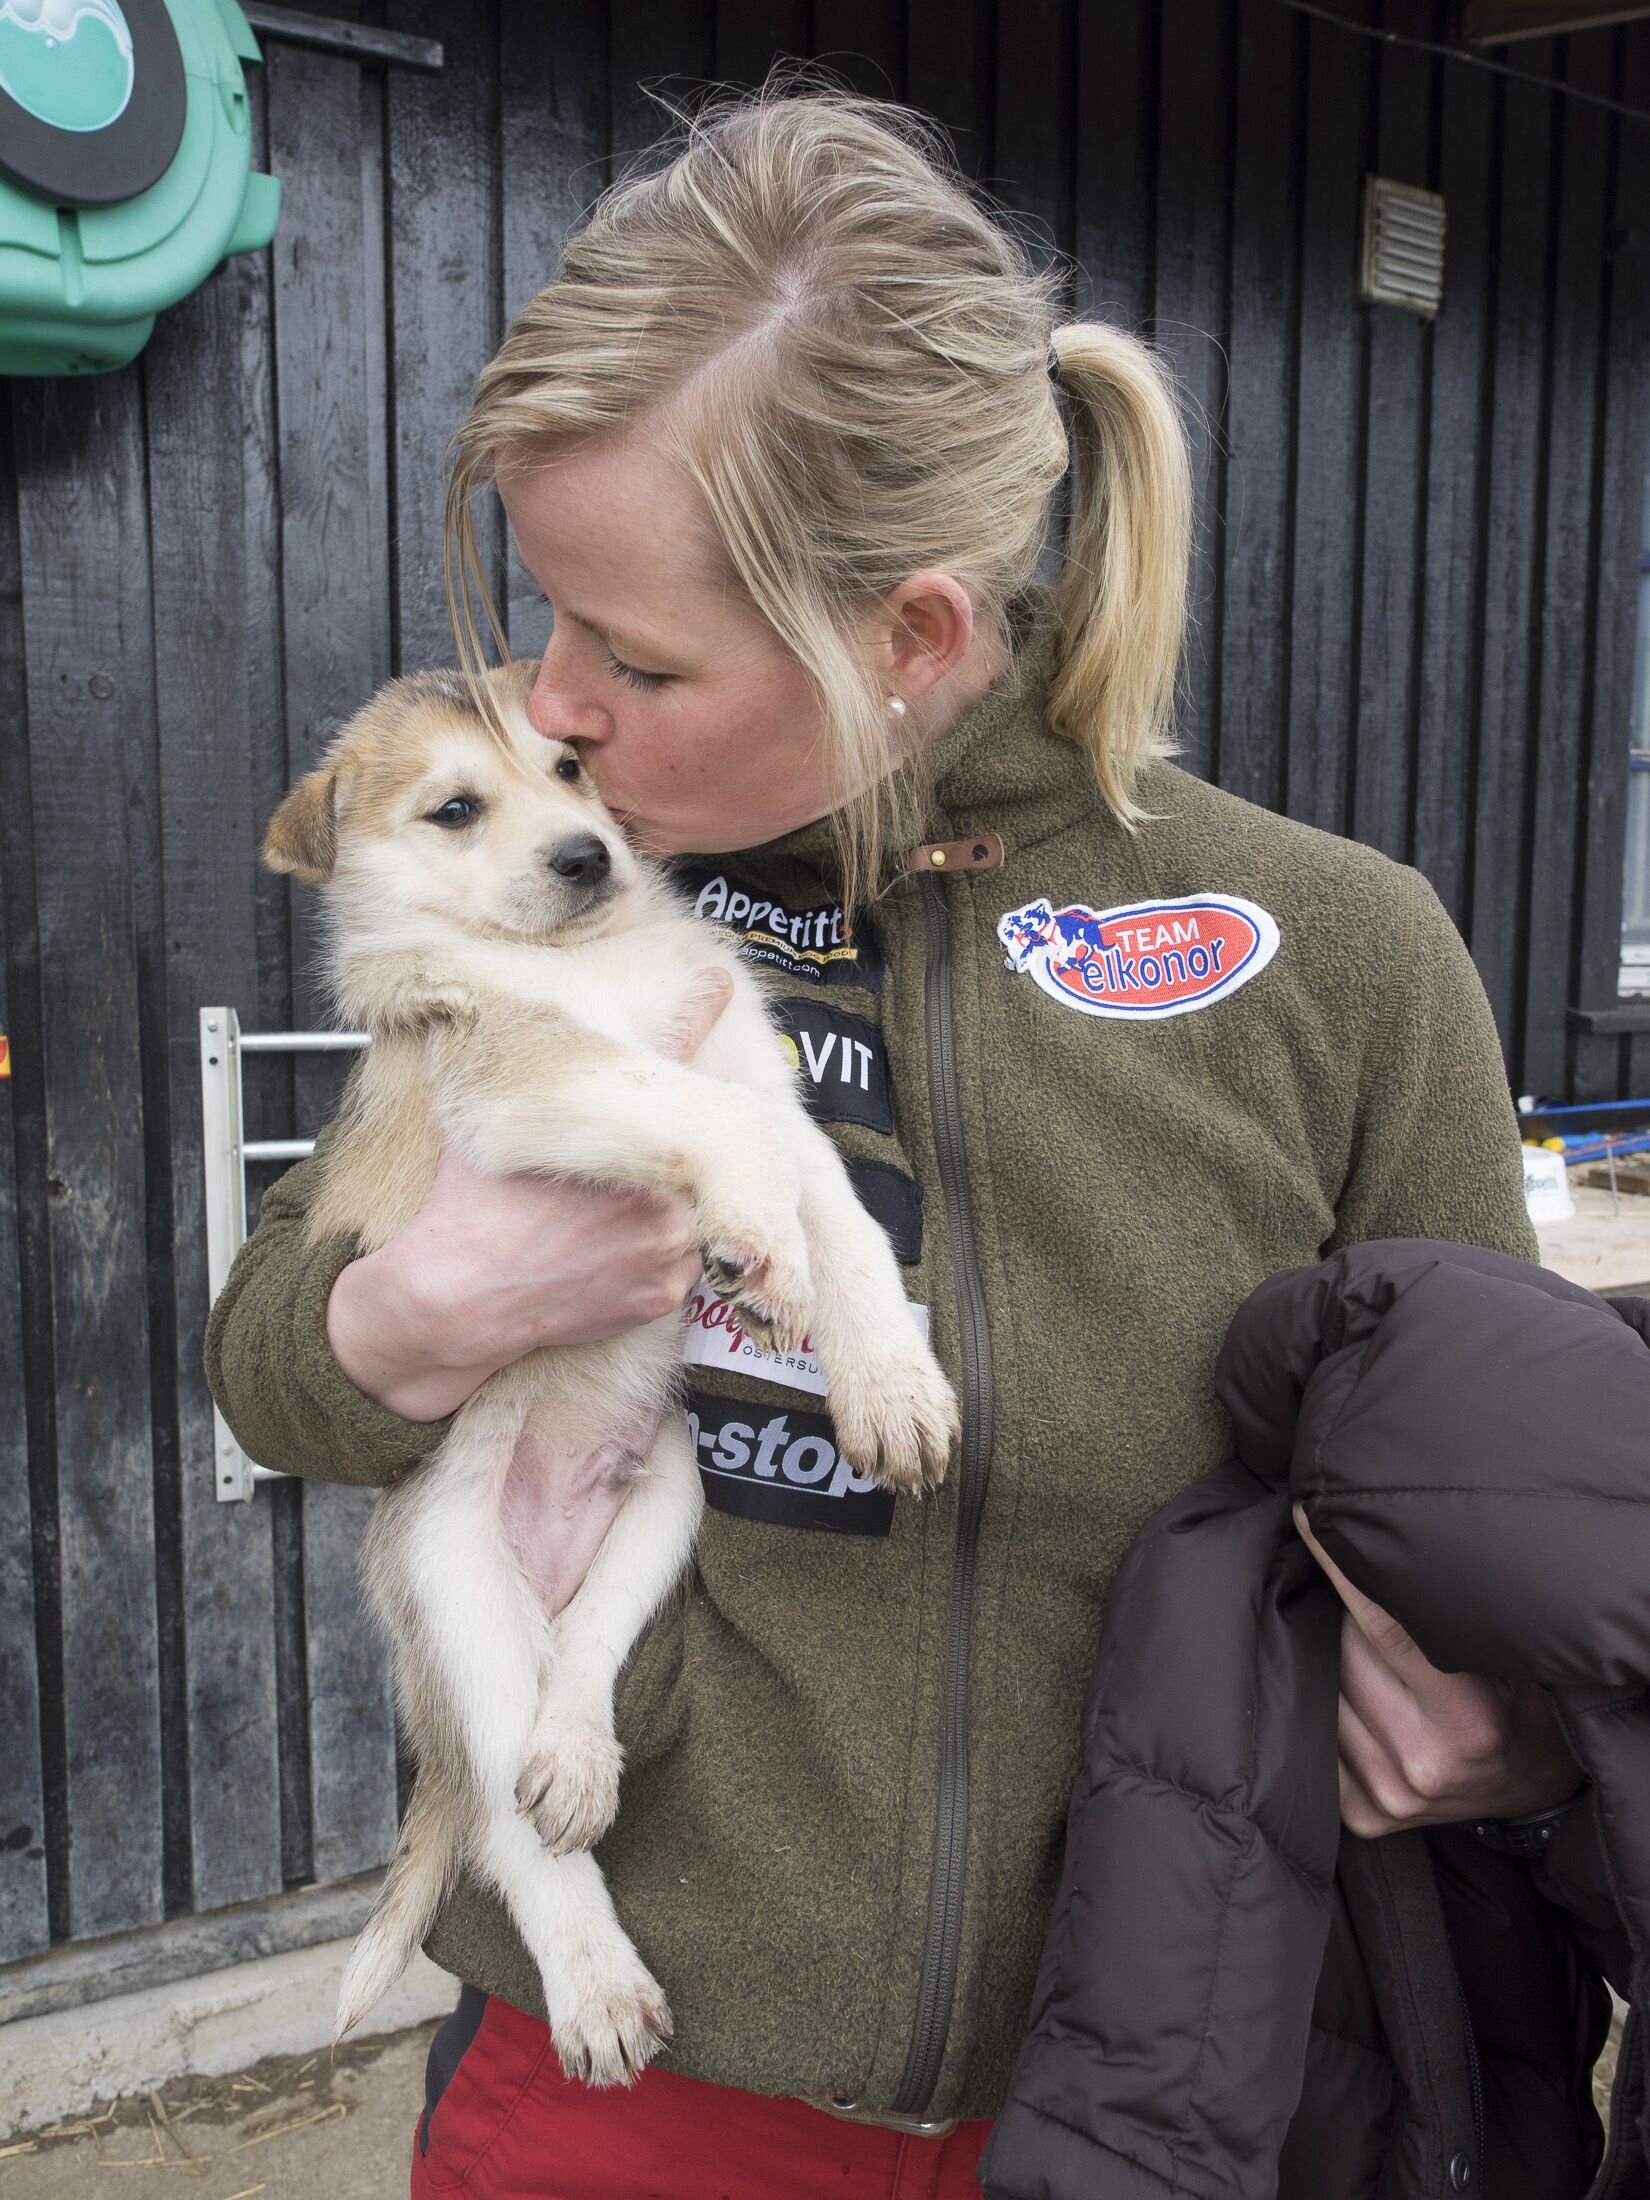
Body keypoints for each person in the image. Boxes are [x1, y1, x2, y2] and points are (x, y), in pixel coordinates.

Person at [206, 86, 1591, 2200]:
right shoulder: (584, 906)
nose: (551, 707)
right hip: (628, 2072)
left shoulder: (1334, 950)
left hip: (1172, 2082)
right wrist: (399, 1317)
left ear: (912, 638)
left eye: (635, 653)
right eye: (541, 615)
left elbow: (1517, 1510)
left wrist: (1514, 1731)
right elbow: (274, 1348)